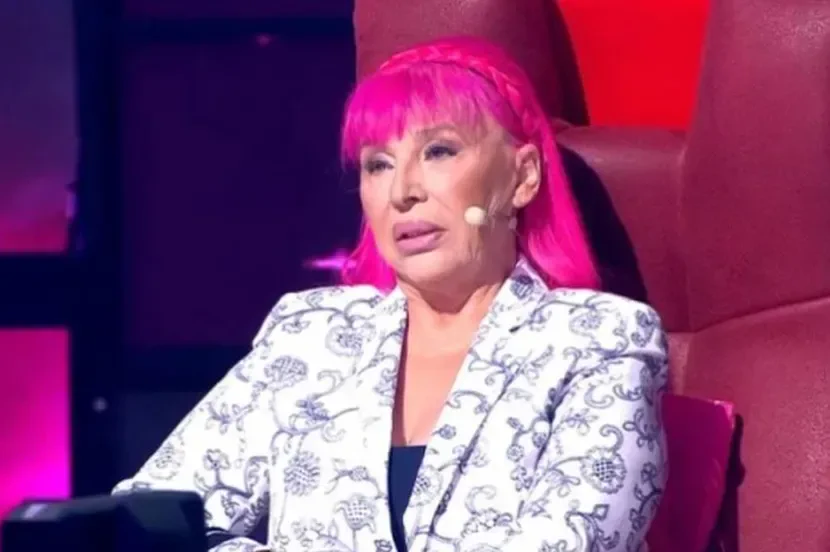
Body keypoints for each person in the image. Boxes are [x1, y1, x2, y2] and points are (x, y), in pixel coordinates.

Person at [113, 37, 669, 552]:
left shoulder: (597, 339)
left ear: (523, 176)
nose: (402, 191)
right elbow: (147, 522)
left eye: (439, 152)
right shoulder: (310, 337)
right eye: (378, 165)